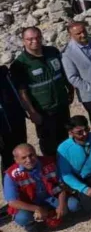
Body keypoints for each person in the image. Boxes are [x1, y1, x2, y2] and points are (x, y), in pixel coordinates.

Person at [11, 27, 72, 156]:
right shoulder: (19, 64)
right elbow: (22, 92)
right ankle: (52, 171)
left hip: (61, 104)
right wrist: (32, 113)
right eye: (30, 39)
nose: (35, 41)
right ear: (23, 41)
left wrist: (70, 90)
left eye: (38, 37)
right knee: (49, 142)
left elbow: (62, 73)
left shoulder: (52, 52)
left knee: (65, 137)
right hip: (44, 111)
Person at [4, 143, 79, 232]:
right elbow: (12, 202)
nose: (29, 160)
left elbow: (61, 185)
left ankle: (58, 216)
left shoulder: (49, 162)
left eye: (31, 155)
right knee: (22, 217)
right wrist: (37, 208)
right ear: (16, 160)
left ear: (36, 153)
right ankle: (32, 228)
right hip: (30, 203)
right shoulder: (11, 174)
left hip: (51, 197)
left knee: (74, 205)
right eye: (24, 158)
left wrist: (61, 205)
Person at [0, 65, 28, 170]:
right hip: (2, 128)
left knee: (22, 153)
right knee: (7, 158)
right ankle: (10, 185)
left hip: (16, 120)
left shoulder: (4, 72)